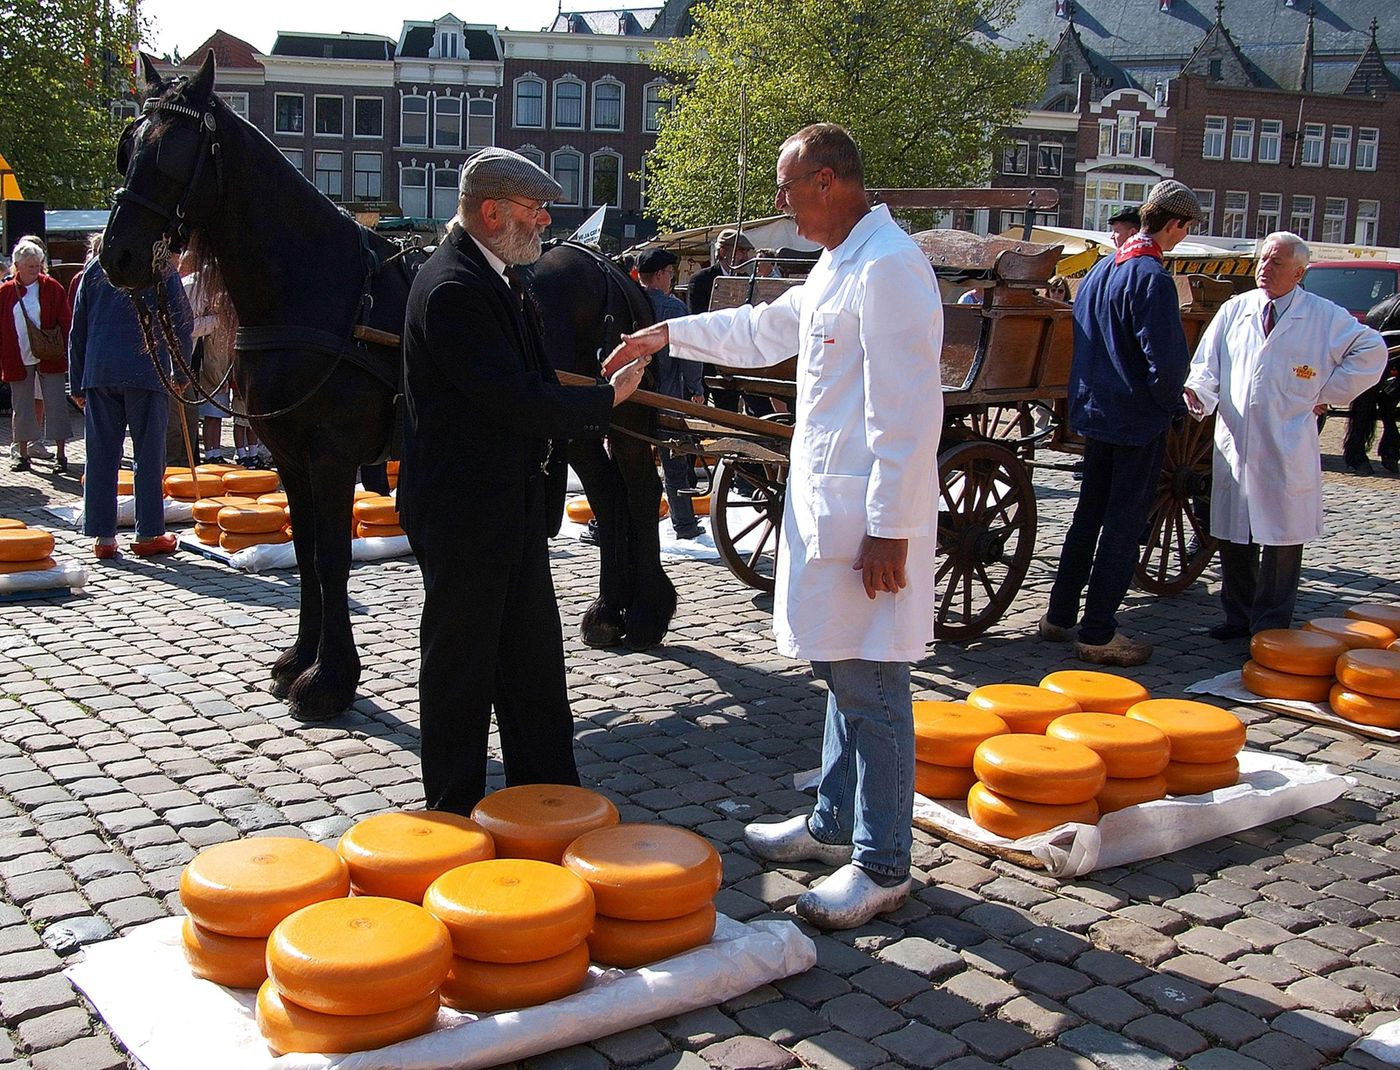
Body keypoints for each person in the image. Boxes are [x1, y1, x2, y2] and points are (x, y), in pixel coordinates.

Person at [608, 123, 943, 930]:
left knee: (874, 684)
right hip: (835, 506)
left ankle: (884, 861)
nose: (781, 204)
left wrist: (892, 528)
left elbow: (906, 410)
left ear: (828, 182)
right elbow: (764, 329)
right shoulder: (841, 263)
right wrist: (667, 331)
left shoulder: (891, 268)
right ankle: (833, 823)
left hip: (868, 518)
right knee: (841, 668)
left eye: (788, 187)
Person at [399, 148, 648, 815]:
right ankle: (451, 815)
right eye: (534, 210)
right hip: (465, 510)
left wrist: (592, 386)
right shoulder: (454, 287)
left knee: (532, 667)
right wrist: (607, 401)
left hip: (505, 506)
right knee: (461, 669)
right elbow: (516, 401)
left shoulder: (501, 276)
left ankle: (548, 802)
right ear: (489, 212)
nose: (544, 222)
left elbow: (536, 383)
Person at [1184, 233, 1387, 638]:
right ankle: (1237, 616)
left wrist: (1327, 391)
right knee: (1234, 533)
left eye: (1275, 263)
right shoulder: (1235, 310)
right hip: (1237, 440)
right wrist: (1200, 393)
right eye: (1262, 260)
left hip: (1286, 440)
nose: (1264, 269)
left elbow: (1373, 351)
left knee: (1281, 537)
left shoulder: (1323, 316)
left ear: (1299, 272)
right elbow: (1207, 364)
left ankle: (1271, 624)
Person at [1040, 180, 1202, 666]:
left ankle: (1060, 615)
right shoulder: (1151, 276)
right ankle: (1098, 631)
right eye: (1185, 228)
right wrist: (1172, 404)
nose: (1182, 236)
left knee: (1087, 516)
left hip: (1096, 410)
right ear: (1173, 224)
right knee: (1123, 524)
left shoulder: (1099, 271)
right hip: (1135, 418)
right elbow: (1167, 361)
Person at [68, 242, 188, 559]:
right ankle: (148, 533)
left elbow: (77, 326)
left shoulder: (96, 266)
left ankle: (103, 537)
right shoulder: (159, 266)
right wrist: (183, 371)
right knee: (149, 455)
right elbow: (181, 319)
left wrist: (77, 380)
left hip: (100, 371)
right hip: (148, 371)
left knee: (100, 455)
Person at [637, 248, 705, 540]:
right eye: (669, 273)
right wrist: (696, 388)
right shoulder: (673, 308)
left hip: (633, 396)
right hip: (667, 397)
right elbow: (688, 354)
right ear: (662, 275)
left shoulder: (627, 300)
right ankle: (684, 523)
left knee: (629, 461)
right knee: (674, 462)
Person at [1, 237, 72, 473]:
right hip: (17, 357)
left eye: (37, 265)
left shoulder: (52, 287)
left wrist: (66, 350)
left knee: (56, 404)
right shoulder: (6, 291)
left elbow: (65, 320)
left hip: (50, 356)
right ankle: (22, 454)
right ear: (17, 265)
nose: (35, 269)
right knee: (21, 406)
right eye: (30, 265)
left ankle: (61, 454)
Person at [687, 228, 754, 316]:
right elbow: (698, 318)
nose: (746, 257)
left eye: (747, 252)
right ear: (723, 252)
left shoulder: (747, 280)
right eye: (741, 251)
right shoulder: (701, 280)